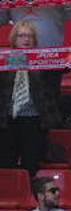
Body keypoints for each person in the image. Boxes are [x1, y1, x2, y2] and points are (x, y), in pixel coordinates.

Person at [0, 21, 64, 176]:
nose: (26, 39)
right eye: (21, 35)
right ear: (14, 39)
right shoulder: (3, 59)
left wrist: (69, 55)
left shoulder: (43, 61)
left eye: (29, 36)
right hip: (7, 120)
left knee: (31, 164)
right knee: (6, 164)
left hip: (34, 120)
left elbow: (54, 85)